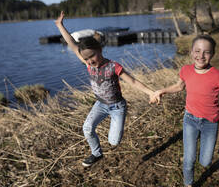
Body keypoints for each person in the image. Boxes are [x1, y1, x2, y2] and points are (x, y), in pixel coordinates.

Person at [153, 35, 219, 187]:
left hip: (210, 123)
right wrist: (162, 91)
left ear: (212, 54)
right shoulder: (186, 70)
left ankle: (203, 156)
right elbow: (179, 86)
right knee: (189, 159)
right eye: (197, 51)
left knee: (205, 161)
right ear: (191, 52)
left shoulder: (217, 76)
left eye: (206, 52)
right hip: (189, 119)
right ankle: (188, 183)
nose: (201, 56)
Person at [55, 11, 157, 167]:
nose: (89, 61)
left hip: (117, 106)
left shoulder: (113, 66)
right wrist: (60, 25)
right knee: (87, 128)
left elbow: (133, 81)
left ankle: (116, 127)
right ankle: (96, 153)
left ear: (100, 50)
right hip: (100, 104)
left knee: (114, 142)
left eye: (92, 56)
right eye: (86, 58)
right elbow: (72, 44)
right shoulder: (89, 64)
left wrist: (151, 92)